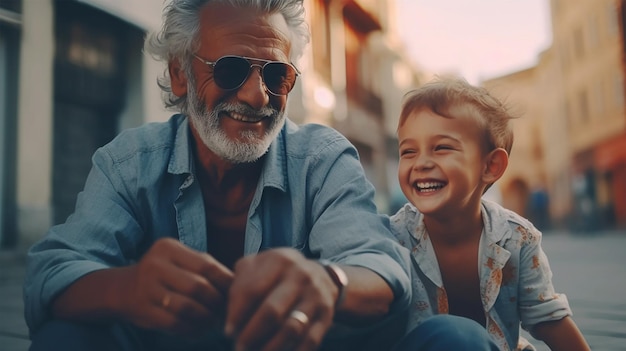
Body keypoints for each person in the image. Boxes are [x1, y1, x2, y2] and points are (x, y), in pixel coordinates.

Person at [23, 1, 413, 350]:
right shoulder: (130, 163)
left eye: (276, 75)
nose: (257, 96)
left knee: (454, 338)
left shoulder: (323, 160)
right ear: (180, 74)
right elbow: (52, 274)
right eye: (231, 69)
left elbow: (381, 265)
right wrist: (127, 288)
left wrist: (329, 283)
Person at [390, 77, 591, 351]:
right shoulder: (393, 238)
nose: (422, 163)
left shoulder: (517, 238)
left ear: (491, 166)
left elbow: (549, 319)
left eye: (442, 147)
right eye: (408, 151)